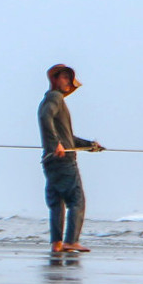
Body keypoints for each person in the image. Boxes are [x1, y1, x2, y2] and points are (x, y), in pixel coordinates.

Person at [38, 63, 104, 253]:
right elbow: (45, 118)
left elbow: (68, 139)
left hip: (50, 160)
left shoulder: (51, 99)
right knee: (77, 200)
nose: (67, 82)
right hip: (63, 160)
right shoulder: (55, 97)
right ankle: (71, 241)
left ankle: (57, 243)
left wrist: (90, 146)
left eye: (69, 79)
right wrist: (55, 144)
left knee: (57, 202)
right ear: (55, 80)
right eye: (65, 78)